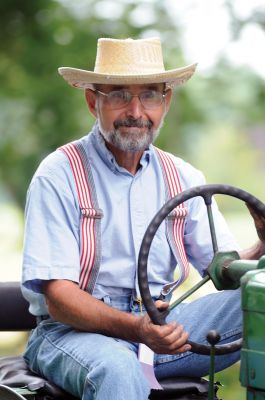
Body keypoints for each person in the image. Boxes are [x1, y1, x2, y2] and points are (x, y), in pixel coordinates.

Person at [22, 37, 265, 400]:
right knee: (117, 369)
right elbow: (59, 298)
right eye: (119, 95)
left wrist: (262, 244)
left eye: (149, 95)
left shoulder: (182, 176)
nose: (136, 111)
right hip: (72, 335)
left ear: (165, 102)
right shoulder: (58, 174)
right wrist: (137, 328)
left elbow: (224, 273)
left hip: (163, 328)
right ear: (94, 101)